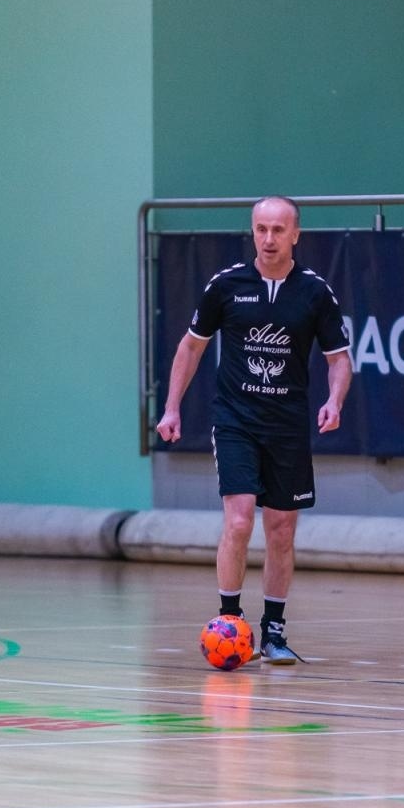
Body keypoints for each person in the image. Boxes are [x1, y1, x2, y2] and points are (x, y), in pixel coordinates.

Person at [156, 196, 352, 664]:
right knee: (240, 519)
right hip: (236, 421)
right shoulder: (227, 286)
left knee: (281, 528)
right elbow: (190, 348)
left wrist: (334, 399)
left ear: (295, 235)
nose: (268, 239)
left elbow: (339, 359)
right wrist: (172, 408)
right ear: (252, 232)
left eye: (278, 230)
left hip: (287, 425)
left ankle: (275, 632)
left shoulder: (314, 292)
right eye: (261, 229)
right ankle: (231, 622)